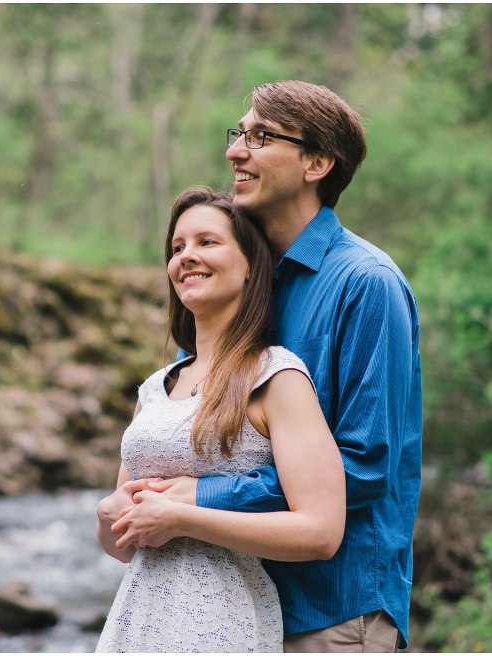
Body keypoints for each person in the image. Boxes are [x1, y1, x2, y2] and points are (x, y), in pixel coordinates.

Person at [108, 81, 423, 652]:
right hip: (237, 608)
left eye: (260, 136)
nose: (235, 150)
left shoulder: (365, 284)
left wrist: (199, 500)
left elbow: (367, 464)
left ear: (317, 163)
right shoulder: (237, 282)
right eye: (238, 134)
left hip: (333, 608)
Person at [95, 186, 346, 653]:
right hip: (138, 622)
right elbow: (124, 544)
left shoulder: (275, 375)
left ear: (251, 263)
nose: (187, 256)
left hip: (222, 623)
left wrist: (186, 518)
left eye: (207, 242)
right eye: (177, 247)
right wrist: (108, 517)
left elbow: (320, 532)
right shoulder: (157, 388)